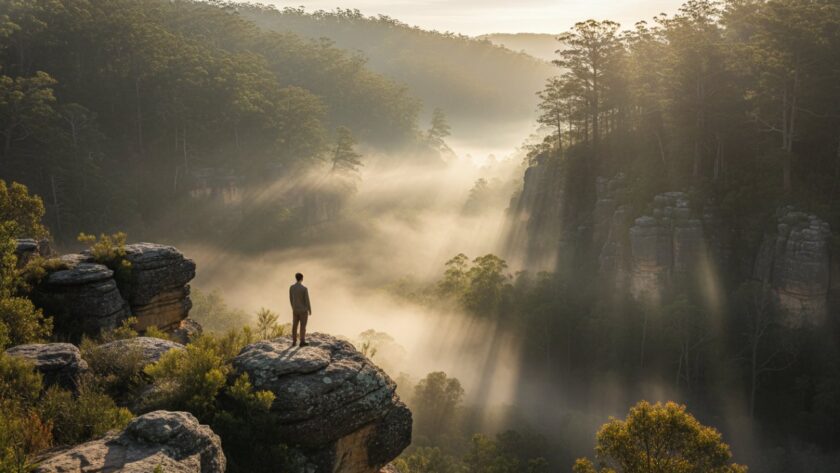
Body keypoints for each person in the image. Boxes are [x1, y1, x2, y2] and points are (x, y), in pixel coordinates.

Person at [289, 272, 312, 346]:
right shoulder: (304, 289)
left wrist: (293, 307)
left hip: (295, 310)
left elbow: (291, 299)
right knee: (303, 326)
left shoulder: (292, 287)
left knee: (294, 326)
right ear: (302, 279)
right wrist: (309, 310)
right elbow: (307, 300)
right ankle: (302, 341)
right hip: (303, 310)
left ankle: (294, 341)